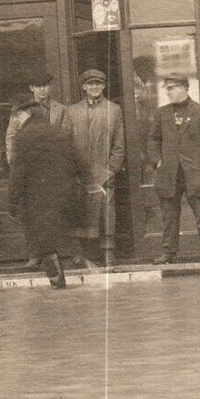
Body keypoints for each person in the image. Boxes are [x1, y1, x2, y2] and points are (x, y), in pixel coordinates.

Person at [8, 103, 85, 288]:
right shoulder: (57, 132)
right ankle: (60, 276)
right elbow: (78, 160)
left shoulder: (23, 138)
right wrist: (86, 182)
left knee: (42, 239)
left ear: (24, 114)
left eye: (15, 117)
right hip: (63, 194)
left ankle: (57, 280)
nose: (15, 121)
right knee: (51, 235)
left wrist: (12, 200)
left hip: (37, 197)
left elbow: (17, 173)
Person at [148, 74, 200, 264]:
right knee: (169, 216)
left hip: (195, 173)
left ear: (184, 88)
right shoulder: (161, 113)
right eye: (168, 88)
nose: (168, 92)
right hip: (169, 173)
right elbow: (153, 139)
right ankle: (168, 253)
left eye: (171, 88)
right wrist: (157, 161)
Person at [65, 69, 125, 270]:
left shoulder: (114, 110)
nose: (94, 87)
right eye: (90, 84)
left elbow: (119, 145)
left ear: (104, 86)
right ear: (83, 87)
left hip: (104, 172)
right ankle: (78, 253)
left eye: (98, 84)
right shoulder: (71, 111)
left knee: (107, 211)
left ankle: (108, 251)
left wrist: (109, 171)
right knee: (78, 211)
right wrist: (73, 171)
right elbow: (65, 144)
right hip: (79, 174)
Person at [5, 69, 68, 168]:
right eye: (38, 86)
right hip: (28, 162)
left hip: (53, 162)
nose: (42, 89)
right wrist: (12, 160)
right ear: (32, 88)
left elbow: (65, 137)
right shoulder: (21, 109)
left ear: (49, 87)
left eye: (45, 86)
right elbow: (11, 136)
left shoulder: (61, 109)